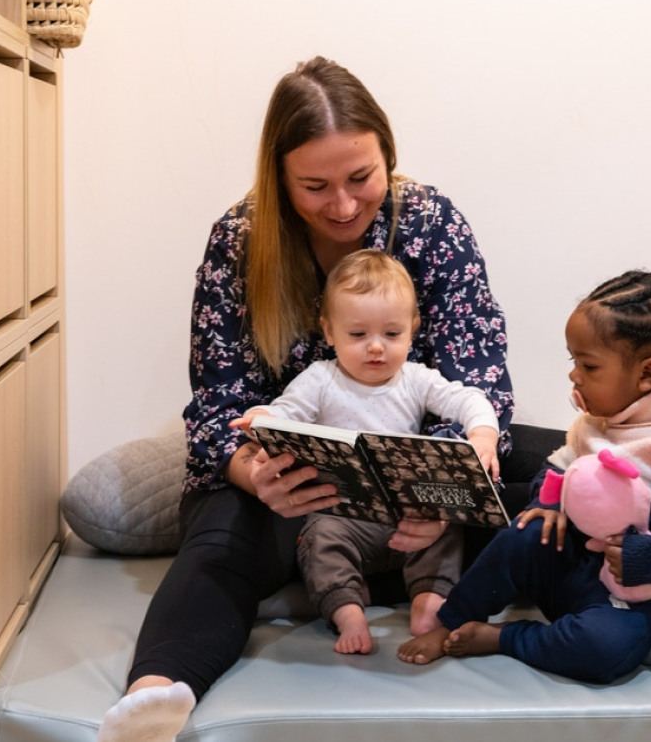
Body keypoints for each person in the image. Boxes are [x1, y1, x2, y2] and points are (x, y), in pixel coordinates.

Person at [96, 56, 514, 742]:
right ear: (279, 178)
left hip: (420, 491)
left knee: (556, 474)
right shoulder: (240, 240)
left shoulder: (432, 225)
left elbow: (480, 378)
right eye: (315, 186)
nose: (345, 206)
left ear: (389, 158)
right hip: (289, 494)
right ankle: (154, 698)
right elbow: (215, 407)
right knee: (220, 538)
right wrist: (254, 475)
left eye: (361, 178)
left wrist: (437, 493)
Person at [397, 269, 651, 684]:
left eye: (589, 365)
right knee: (519, 535)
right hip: (568, 560)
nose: (574, 375)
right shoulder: (594, 424)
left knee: (605, 651)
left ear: (648, 375)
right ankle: (450, 621)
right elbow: (556, 468)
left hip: (625, 590)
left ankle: (506, 637)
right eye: (573, 360)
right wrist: (546, 504)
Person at [231, 249, 501, 655]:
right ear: (329, 332)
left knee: (448, 523)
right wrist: (263, 419)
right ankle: (347, 611)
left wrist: (483, 436)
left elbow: (469, 399)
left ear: (412, 330)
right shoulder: (320, 379)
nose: (376, 348)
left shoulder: (415, 379)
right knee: (318, 535)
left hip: (407, 516)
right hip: (344, 515)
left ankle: (429, 600)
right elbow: (286, 413)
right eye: (358, 335)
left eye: (392, 335)